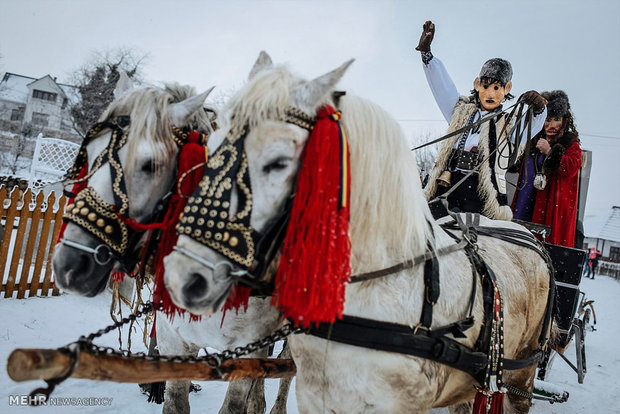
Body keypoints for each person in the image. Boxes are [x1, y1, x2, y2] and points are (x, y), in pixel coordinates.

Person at [415, 21, 547, 220]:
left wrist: (538, 108)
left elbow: (532, 124)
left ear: (507, 89)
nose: (490, 93)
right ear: (477, 85)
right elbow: (443, 87)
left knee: (473, 238)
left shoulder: (508, 123)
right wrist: (427, 54)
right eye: (486, 86)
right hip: (447, 183)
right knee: (425, 225)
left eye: (497, 88)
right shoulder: (460, 112)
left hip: (481, 193)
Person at [513, 90, 582, 247]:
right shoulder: (531, 141)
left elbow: (570, 168)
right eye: (548, 119)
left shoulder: (571, 145)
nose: (551, 125)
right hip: (524, 206)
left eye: (557, 119)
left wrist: (550, 152)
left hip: (548, 212)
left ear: (564, 120)